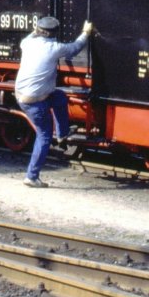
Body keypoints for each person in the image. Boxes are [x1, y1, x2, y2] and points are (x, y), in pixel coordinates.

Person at [14, 16, 93, 188]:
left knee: (59, 98)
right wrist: (86, 32)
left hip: (23, 93)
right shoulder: (53, 48)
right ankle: (32, 176)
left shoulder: (27, 43)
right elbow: (75, 47)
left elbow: (29, 37)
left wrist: (35, 30)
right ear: (54, 34)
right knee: (44, 136)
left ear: (38, 30)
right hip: (34, 101)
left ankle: (63, 133)